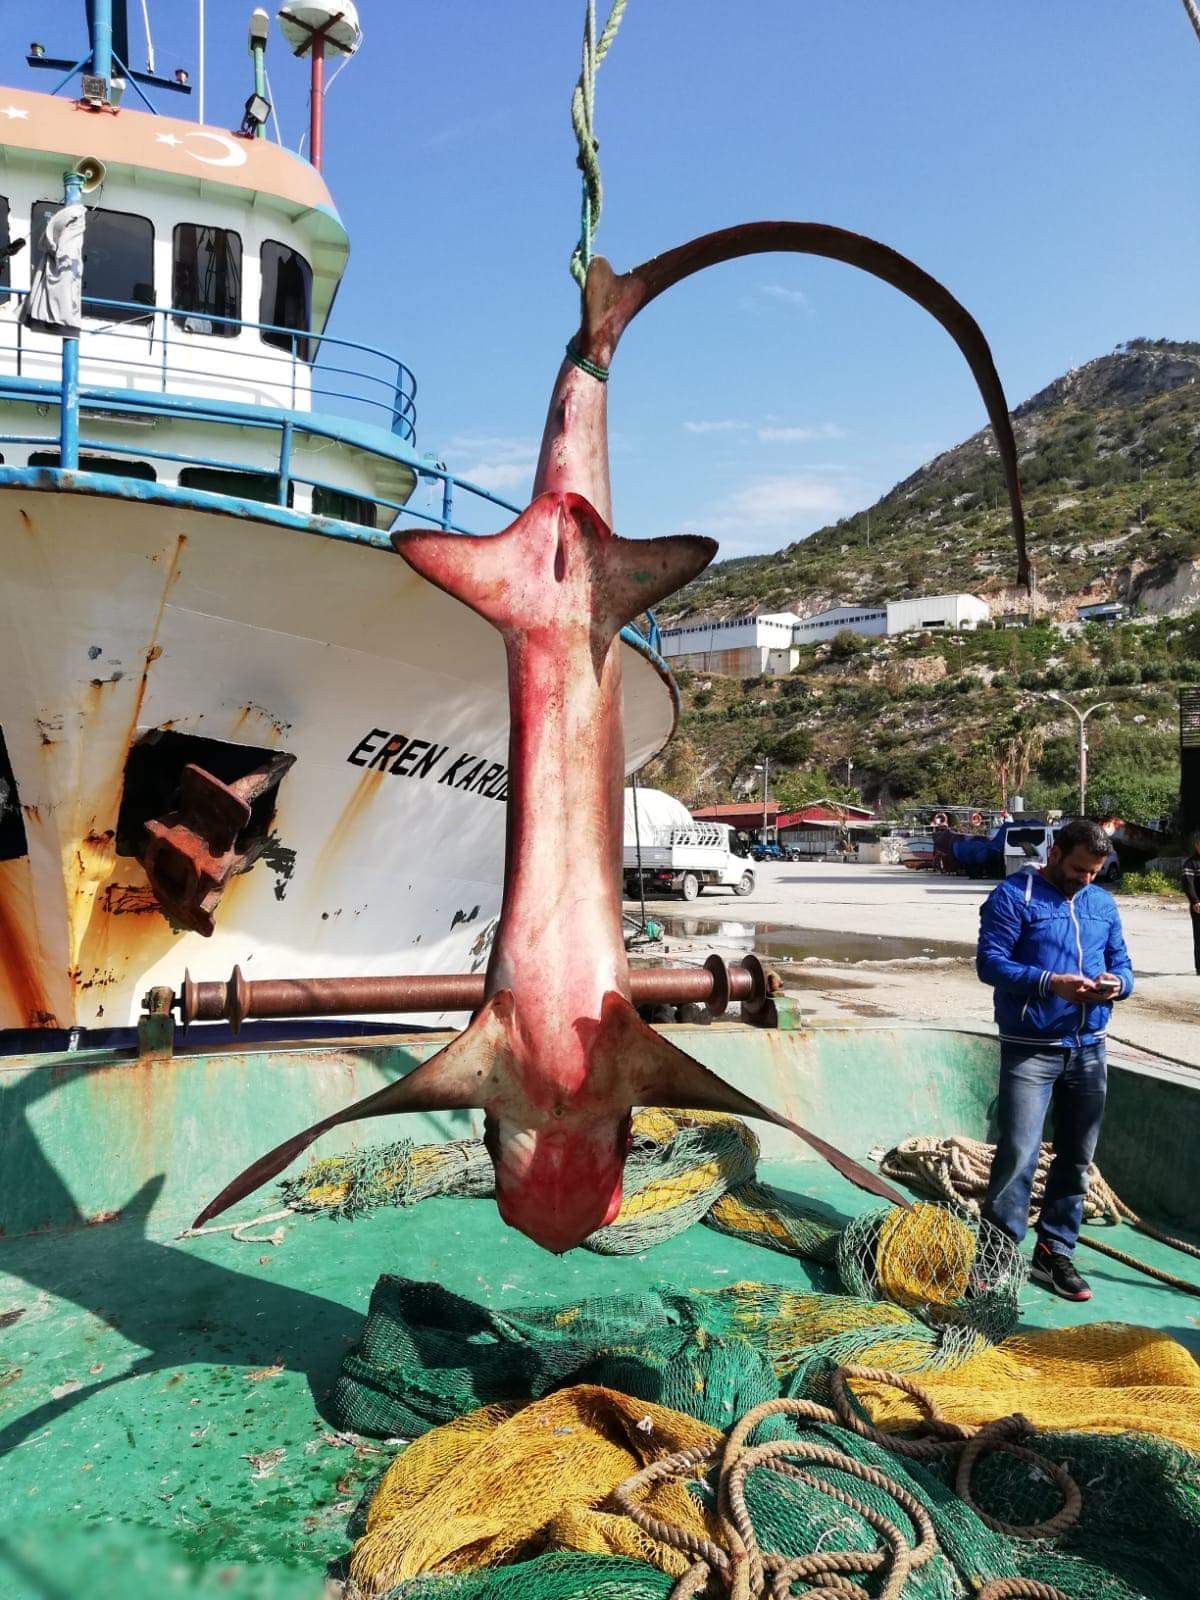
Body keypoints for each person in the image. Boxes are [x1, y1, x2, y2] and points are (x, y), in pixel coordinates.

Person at [975, 818, 1134, 1301]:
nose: (1086, 879)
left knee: (1078, 1157)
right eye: (1079, 869)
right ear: (1054, 852)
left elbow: (1123, 964)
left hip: (1090, 1048)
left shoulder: (1101, 903)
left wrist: (1116, 986)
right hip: (1031, 1048)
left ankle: (1053, 1253)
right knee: (1020, 1151)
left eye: (1095, 872)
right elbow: (990, 963)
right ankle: (996, 1254)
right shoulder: (1013, 895)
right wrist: (1051, 982)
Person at [1183, 831, 1200, 976]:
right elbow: (1188, 885)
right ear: (1196, 845)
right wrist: (1195, 901)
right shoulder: (1191, 863)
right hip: (1198, 906)